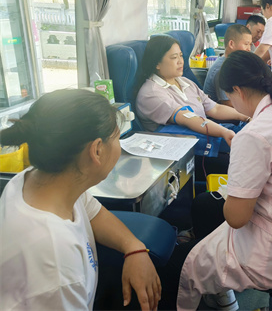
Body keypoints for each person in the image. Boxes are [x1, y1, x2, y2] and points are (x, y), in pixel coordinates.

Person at [174, 51, 272, 310]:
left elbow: (236, 218)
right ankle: (221, 291)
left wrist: (234, 186)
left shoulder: (254, 134)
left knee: (180, 266)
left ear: (237, 90)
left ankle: (217, 291)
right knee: (205, 204)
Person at [0, 89, 161, 311]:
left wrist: (133, 247)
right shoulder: (56, 266)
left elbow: (93, 211)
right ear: (97, 151)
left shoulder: (36, 180)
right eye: (117, 138)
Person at [136, 35, 250, 145]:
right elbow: (188, 118)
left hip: (206, 133)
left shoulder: (185, 82)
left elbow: (215, 109)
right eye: (174, 57)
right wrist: (223, 132)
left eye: (181, 56)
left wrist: (245, 116)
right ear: (157, 64)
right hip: (187, 145)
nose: (181, 61)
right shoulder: (152, 93)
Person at [203, 24, 252, 106]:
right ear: (231, 44)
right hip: (223, 112)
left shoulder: (234, 63)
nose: (249, 49)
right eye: (246, 44)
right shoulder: (221, 69)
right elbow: (227, 103)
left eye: (250, 45)